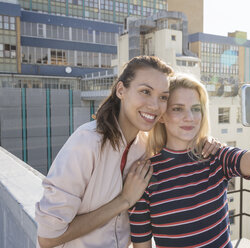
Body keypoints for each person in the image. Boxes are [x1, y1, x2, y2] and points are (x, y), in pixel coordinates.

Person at [35, 56, 220, 248]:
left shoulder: (147, 145)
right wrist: (124, 200)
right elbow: (48, 238)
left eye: (163, 97)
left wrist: (206, 142)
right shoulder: (86, 142)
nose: (155, 106)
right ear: (121, 90)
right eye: (145, 92)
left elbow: (181, 142)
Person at [129, 75, 250, 248]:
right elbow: (142, 244)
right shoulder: (145, 174)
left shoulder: (215, 156)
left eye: (196, 109)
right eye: (178, 109)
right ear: (162, 115)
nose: (190, 117)